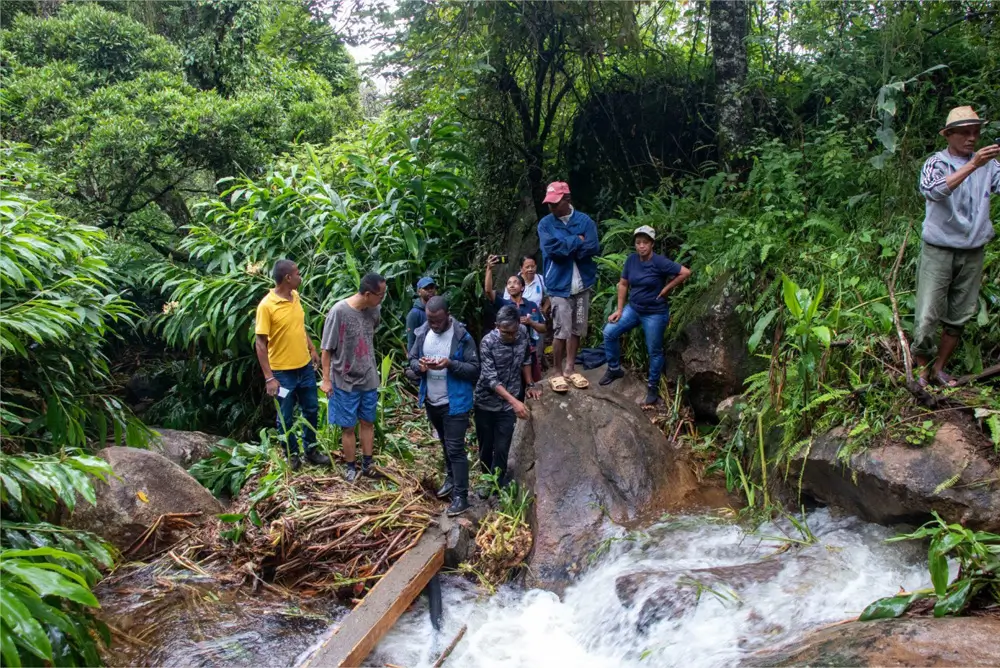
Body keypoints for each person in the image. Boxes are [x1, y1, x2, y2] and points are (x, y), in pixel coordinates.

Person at [913, 106, 999, 387]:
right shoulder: (936, 163)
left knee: (960, 314)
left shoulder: (989, 166)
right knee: (927, 314)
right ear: (948, 135)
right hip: (939, 248)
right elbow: (932, 191)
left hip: (973, 249)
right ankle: (922, 371)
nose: (972, 138)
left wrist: (983, 164)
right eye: (964, 133)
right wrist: (973, 166)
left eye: (975, 132)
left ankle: (939, 369)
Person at [600, 226, 692, 405]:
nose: (641, 246)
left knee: (654, 351)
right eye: (638, 243)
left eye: (645, 243)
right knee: (609, 332)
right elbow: (623, 284)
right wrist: (619, 310)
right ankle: (614, 368)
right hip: (634, 309)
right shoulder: (631, 260)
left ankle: (652, 387)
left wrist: (666, 289)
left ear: (652, 244)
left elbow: (685, 272)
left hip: (655, 313)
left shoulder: (660, 262)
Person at [408, 296, 480, 516]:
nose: (434, 325)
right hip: (432, 400)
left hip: (455, 402)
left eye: (438, 321)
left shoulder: (462, 337)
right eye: (430, 320)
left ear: (448, 316)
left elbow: (474, 369)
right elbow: (411, 360)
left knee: (455, 448)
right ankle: (451, 479)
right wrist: (420, 366)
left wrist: (450, 364)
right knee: (445, 444)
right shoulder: (423, 333)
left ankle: (461, 497)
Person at [255, 260, 325, 470]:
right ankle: (292, 454)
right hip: (282, 373)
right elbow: (260, 343)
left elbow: (299, 327)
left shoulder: (295, 297)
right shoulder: (267, 306)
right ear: (288, 278)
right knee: (285, 415)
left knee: (311, 408)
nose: (300, 277)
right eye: (298, 274)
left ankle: (311, 450)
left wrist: (311, 348)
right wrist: (269, 377)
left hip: (304, 368)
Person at [320, 273, 386, 482]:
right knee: (347, 426)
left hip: (368, 376)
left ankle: (367, 464)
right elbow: (326, 349)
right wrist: (326, 380)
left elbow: (370, 332)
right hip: (344, 379)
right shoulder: (339, 312)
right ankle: (350, 467)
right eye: (380, 295)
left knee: (368, 421)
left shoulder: (374, 310)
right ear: (367, 294)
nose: (382, 299)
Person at [537, 181, 600, 393]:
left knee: (577, 327)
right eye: (549, 203)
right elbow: (551, 250)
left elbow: (592, 247)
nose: (552, 207)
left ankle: (570, 368)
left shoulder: (584, 221)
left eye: (555, 203)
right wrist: (576, 240)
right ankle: (556, 372)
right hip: (558, 287)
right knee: (561, 330)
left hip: (582, 285)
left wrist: (566, 246)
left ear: (567, 199)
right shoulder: (545, 224)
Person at [474, 305, 541, 497]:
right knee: (486, 445)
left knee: (503, 445)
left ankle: (499, 481)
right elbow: (491, 379)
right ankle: (487, 480)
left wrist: (530, 384)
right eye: (505, 332)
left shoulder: (522, 333)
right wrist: (515, 402)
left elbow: (526, 360)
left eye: (513, 332)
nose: (511, 336)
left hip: (508, 401)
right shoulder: (488, 342)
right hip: (486, 402)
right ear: (497, 326)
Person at [485, 255, 546, 383]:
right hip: (508, 353)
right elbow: (488, 291)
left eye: (515, 283)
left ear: (522, 287)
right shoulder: (504, 304)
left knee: (533, 383)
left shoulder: (531, 305)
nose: (512, 286)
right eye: (509, 283)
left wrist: (531, 322)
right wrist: (489, 269)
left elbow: (543, 328)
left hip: (529, 351)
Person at [405, 277, 437, 353]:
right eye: (426, 288)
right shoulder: (414, 313)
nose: (430, 290)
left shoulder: (438, 309)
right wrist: (412, 358)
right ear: (419, 292)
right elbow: (411, 341)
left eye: (431, 287)